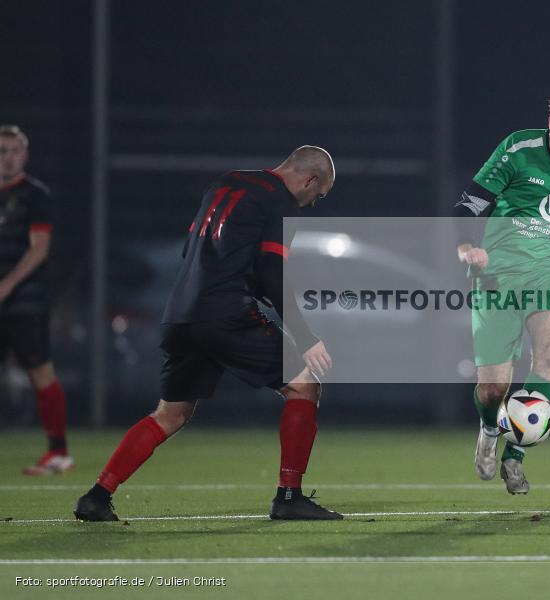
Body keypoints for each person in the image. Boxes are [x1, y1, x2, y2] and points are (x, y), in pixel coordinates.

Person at [74, 146, 342, 521]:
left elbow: (195, 250)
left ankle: (97, 496)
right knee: (304, 384)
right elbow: (271, 271)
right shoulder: (280, 200)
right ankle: (288, 497)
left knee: (170, 413)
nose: (313, 203)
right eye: (318, 195)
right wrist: (306, 336)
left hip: (181, 314)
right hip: (226, 313)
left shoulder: (226, 182)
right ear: (310, 179)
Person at [454, 88, 550, 494]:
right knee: (493, 389)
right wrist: (468, 248)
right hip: (497, 277)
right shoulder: (517, 149)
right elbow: (469, 205)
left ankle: (515, 456)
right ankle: (490, 427)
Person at [0, 125, 73, 476]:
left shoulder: (34, 195)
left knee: (40, 372)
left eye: (13, 150)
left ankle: (58, 452)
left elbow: (39, 248)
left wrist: (8, 284)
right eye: (2, 150)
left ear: (24, 156)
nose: (7, 157)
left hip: (25, 302)